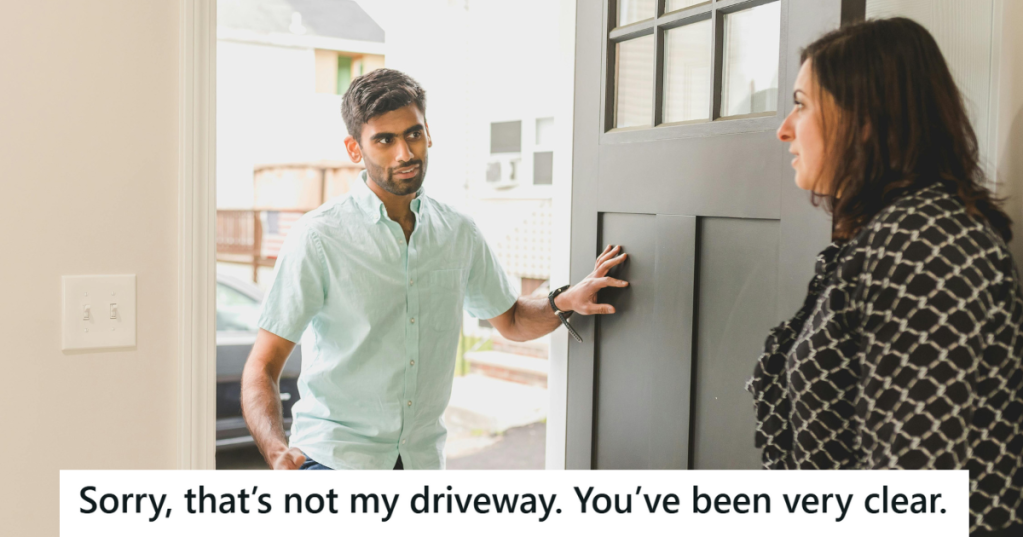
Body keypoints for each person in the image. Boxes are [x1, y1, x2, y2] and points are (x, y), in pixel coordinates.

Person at [241, 68, 628, 471]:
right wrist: (276, 450)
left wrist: (565, 300)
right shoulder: (318, 237)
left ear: (428, 133)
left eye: (413, 134)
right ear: (354, 149)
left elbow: (512, 319)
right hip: (334, 461)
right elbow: (263, 366)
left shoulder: (457, 231)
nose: (405, 153)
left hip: (421, 462)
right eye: (385, 140)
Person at [747, 18, 1022, 536]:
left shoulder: (925, 246)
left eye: (802, 104)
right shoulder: (889, 234)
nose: (784, 128)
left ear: (866, 119)